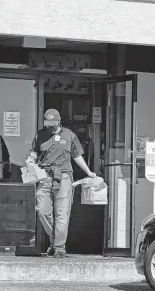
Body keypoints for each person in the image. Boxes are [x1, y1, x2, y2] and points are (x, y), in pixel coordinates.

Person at [28, 109, 96, 258]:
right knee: (42, 211)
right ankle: (55, 240)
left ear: (59, 121)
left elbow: (76, 155)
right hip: (44, 175)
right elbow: (34, 151)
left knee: (62, 214)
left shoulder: (70, 135)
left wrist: (88, 172)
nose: (50, 127)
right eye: (48, 124)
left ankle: (59, 247)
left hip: (64, 176)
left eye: (53, 124)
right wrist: (32, 158)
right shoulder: (40, 135)